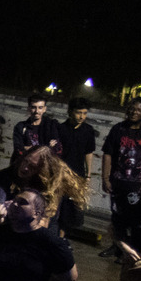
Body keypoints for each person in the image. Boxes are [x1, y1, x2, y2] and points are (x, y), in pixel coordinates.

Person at [101, 97, 141, 255]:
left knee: (134, 217)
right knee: (117, 216)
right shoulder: (118, 129)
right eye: (132, 108)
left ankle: (131, 249)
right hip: (117, 182)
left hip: (138, 185)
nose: (134, 112)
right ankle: (117, 246)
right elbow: (107, 154)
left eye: (138, 110)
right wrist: (105, 178)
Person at [56, 97, 96, 234]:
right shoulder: (61, 129)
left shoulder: (88, 130)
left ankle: (63, 236)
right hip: (61, 174)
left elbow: (88, 153)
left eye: (85, 113)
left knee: (74, 210)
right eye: (79, 112)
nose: (82, 116)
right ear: (70, 112)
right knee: (60, 207)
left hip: (78, 174)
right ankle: (59, 236)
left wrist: (88, 175)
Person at [12, 92, 62, 159]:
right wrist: (46, 147)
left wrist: (30, 148)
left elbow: (57, 149)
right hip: (26, 163)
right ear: (29, 108)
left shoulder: (52, 126)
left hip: (45, 164)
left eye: (40, 108)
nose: (37, 111)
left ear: (44, 109)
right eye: (33, 107)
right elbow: (18, 149)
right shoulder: (21, 127)